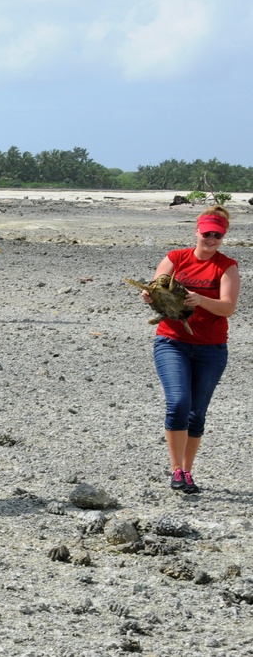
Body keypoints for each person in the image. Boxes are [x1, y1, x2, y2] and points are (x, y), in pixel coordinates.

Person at [137, 205, 239, 494]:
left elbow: (228, 307)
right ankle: (176, 469)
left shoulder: (226, 266)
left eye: (217, 235)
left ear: (223, 237)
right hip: (172, 342)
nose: (211, 239)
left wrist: (200, 299)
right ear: (196, 231)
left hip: (211, 349)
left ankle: (188, 471)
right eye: (207, 233)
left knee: (197, 413)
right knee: (179, 402)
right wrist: (148, 295)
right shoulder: (175, 258)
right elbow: (156, 288)